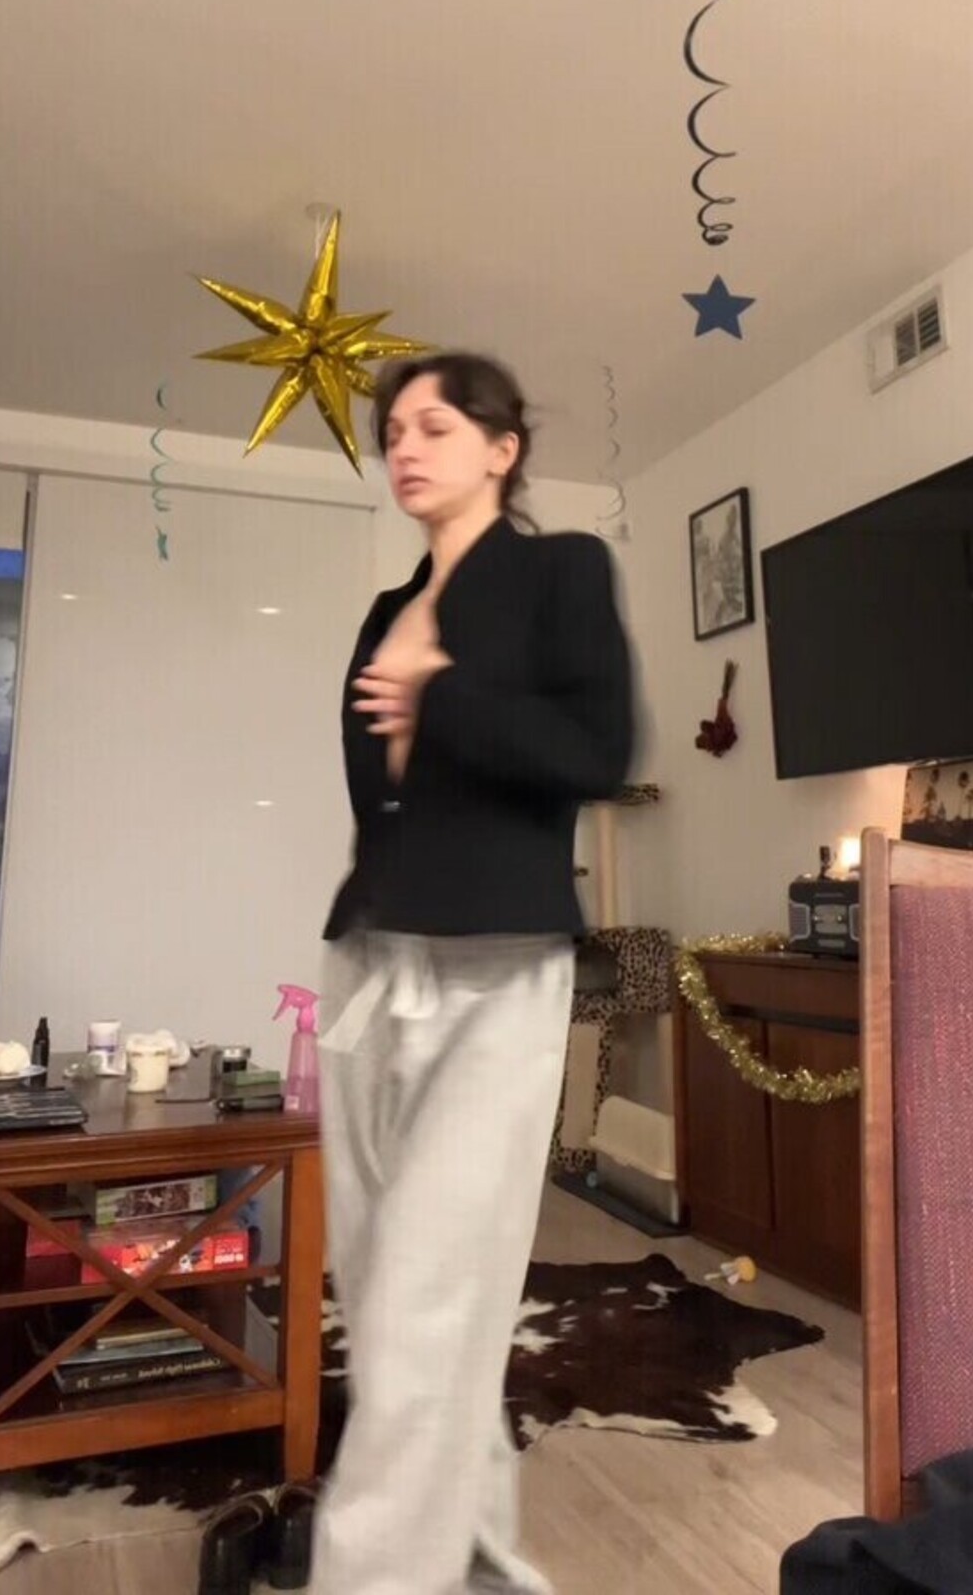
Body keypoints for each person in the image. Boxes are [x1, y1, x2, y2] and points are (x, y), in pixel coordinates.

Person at [311, 352, 635, 1595]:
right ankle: (479, 1554)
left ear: (503, 447)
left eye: (435, 423)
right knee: (384, 1288)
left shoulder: (561, 571)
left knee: (427, 1298)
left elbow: (598, 752)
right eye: (393, 427)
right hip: (367, 959)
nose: (405, 443)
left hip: (496, 960)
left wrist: (440, 693)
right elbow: (380, 802)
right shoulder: (383, 607)